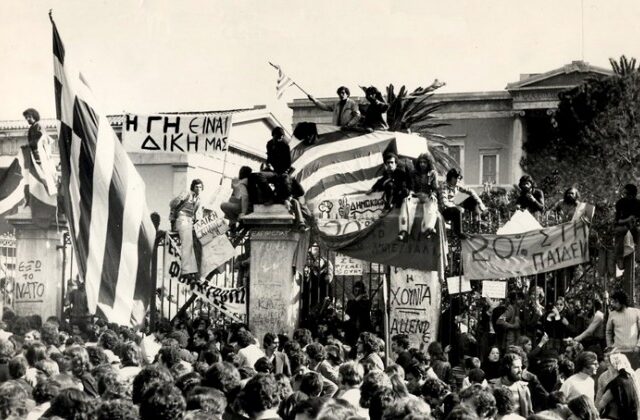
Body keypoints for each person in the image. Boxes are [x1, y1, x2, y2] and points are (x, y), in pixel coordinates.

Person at [397, 153, 439, 241]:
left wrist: (433, 194)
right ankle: (403, 231)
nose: (422, 164)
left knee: (432, 203)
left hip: (427, 196)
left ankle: (429, 229)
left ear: (428, 163)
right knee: (406, 201)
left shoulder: (432, 174)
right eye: (420, 162)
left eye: (424, 162)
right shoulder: (413, 173)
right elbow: (412, 187)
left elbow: (435, 189)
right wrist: (410, 194)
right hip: (416, 196)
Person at [169, 179, 204, 276]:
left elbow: (197, 214)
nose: (199, 189)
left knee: (194, 243)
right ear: (193, 187)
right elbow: (172, 204)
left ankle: (192, 270)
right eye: (197, 187)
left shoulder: (198, 199)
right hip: (182, 218)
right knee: (187, 243)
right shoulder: (187, 194)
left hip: (190, 221)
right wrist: (180, 199)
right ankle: (186, 270)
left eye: (200, 187)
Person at [440, 168, 487, 238]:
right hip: (445, 210)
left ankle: (477, 221)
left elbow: (471, 191)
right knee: (456, 211)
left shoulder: (457, 185)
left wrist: (481, 205)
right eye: (455, 178)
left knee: (470, 198)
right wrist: (456, 206)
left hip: (455, 204)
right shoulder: (443, 187)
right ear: (451, 178)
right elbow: (444, 203)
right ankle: (459, 233)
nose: (457, 180)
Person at [597, 352, 640, 420]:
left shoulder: (617, 383)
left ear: (614, 366)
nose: (609, 368)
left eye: (610, 365)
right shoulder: (631, 380)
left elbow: (602, 403)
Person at [489, 353, 533, 418]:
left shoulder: (523, 388)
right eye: (516, 367)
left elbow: (529, 412)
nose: (520, 370)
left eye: (521, 367)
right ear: (507, 368)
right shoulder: (492, 387)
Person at [605, 289, 640, 369]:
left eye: (615, 302)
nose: (612, 304)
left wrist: (638, 346)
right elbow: (608, 332)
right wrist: (610, 346)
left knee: (634, 376)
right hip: (617, 352)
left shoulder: (636, 312)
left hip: (633, 352)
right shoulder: (612, 314)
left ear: (622, 301)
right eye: (612, 301)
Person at [301, 243, 333, 322]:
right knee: (309, 311)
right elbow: (307, 279)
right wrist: (307, 275)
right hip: (312, 292)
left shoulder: (327, 263)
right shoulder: (311, 265)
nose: (317, 262)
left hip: (324, 291)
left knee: (323, 310)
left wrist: (328, 276)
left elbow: (329, 276)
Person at [220, 166, 252, 231]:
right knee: (232, 199)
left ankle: (233, 223)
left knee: (224, 205)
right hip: (248, 208)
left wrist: (243, 213)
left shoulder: (244, 182)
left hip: (246, 209)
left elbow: (245, 197)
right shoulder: (249, 182)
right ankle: (232, 224)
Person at [614, 183, 640, 262]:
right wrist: (628, 219)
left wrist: (635, 222)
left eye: (626, 193)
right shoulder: (620, 203)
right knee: (619, 232)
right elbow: (618, 220)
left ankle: (638, 257)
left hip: (635, 228)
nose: (624, 194)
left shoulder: (638, 204)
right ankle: (619, 258)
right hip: (622, 226)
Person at [344, 282, 373, 346]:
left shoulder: (366, 302)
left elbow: (366, 311)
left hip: (363, 326)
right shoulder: (351, 302)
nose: (356, 292)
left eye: (358, 290)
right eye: (355, 290)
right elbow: (348, 311)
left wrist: (362, 298)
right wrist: (357, 299)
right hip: (352, 329)